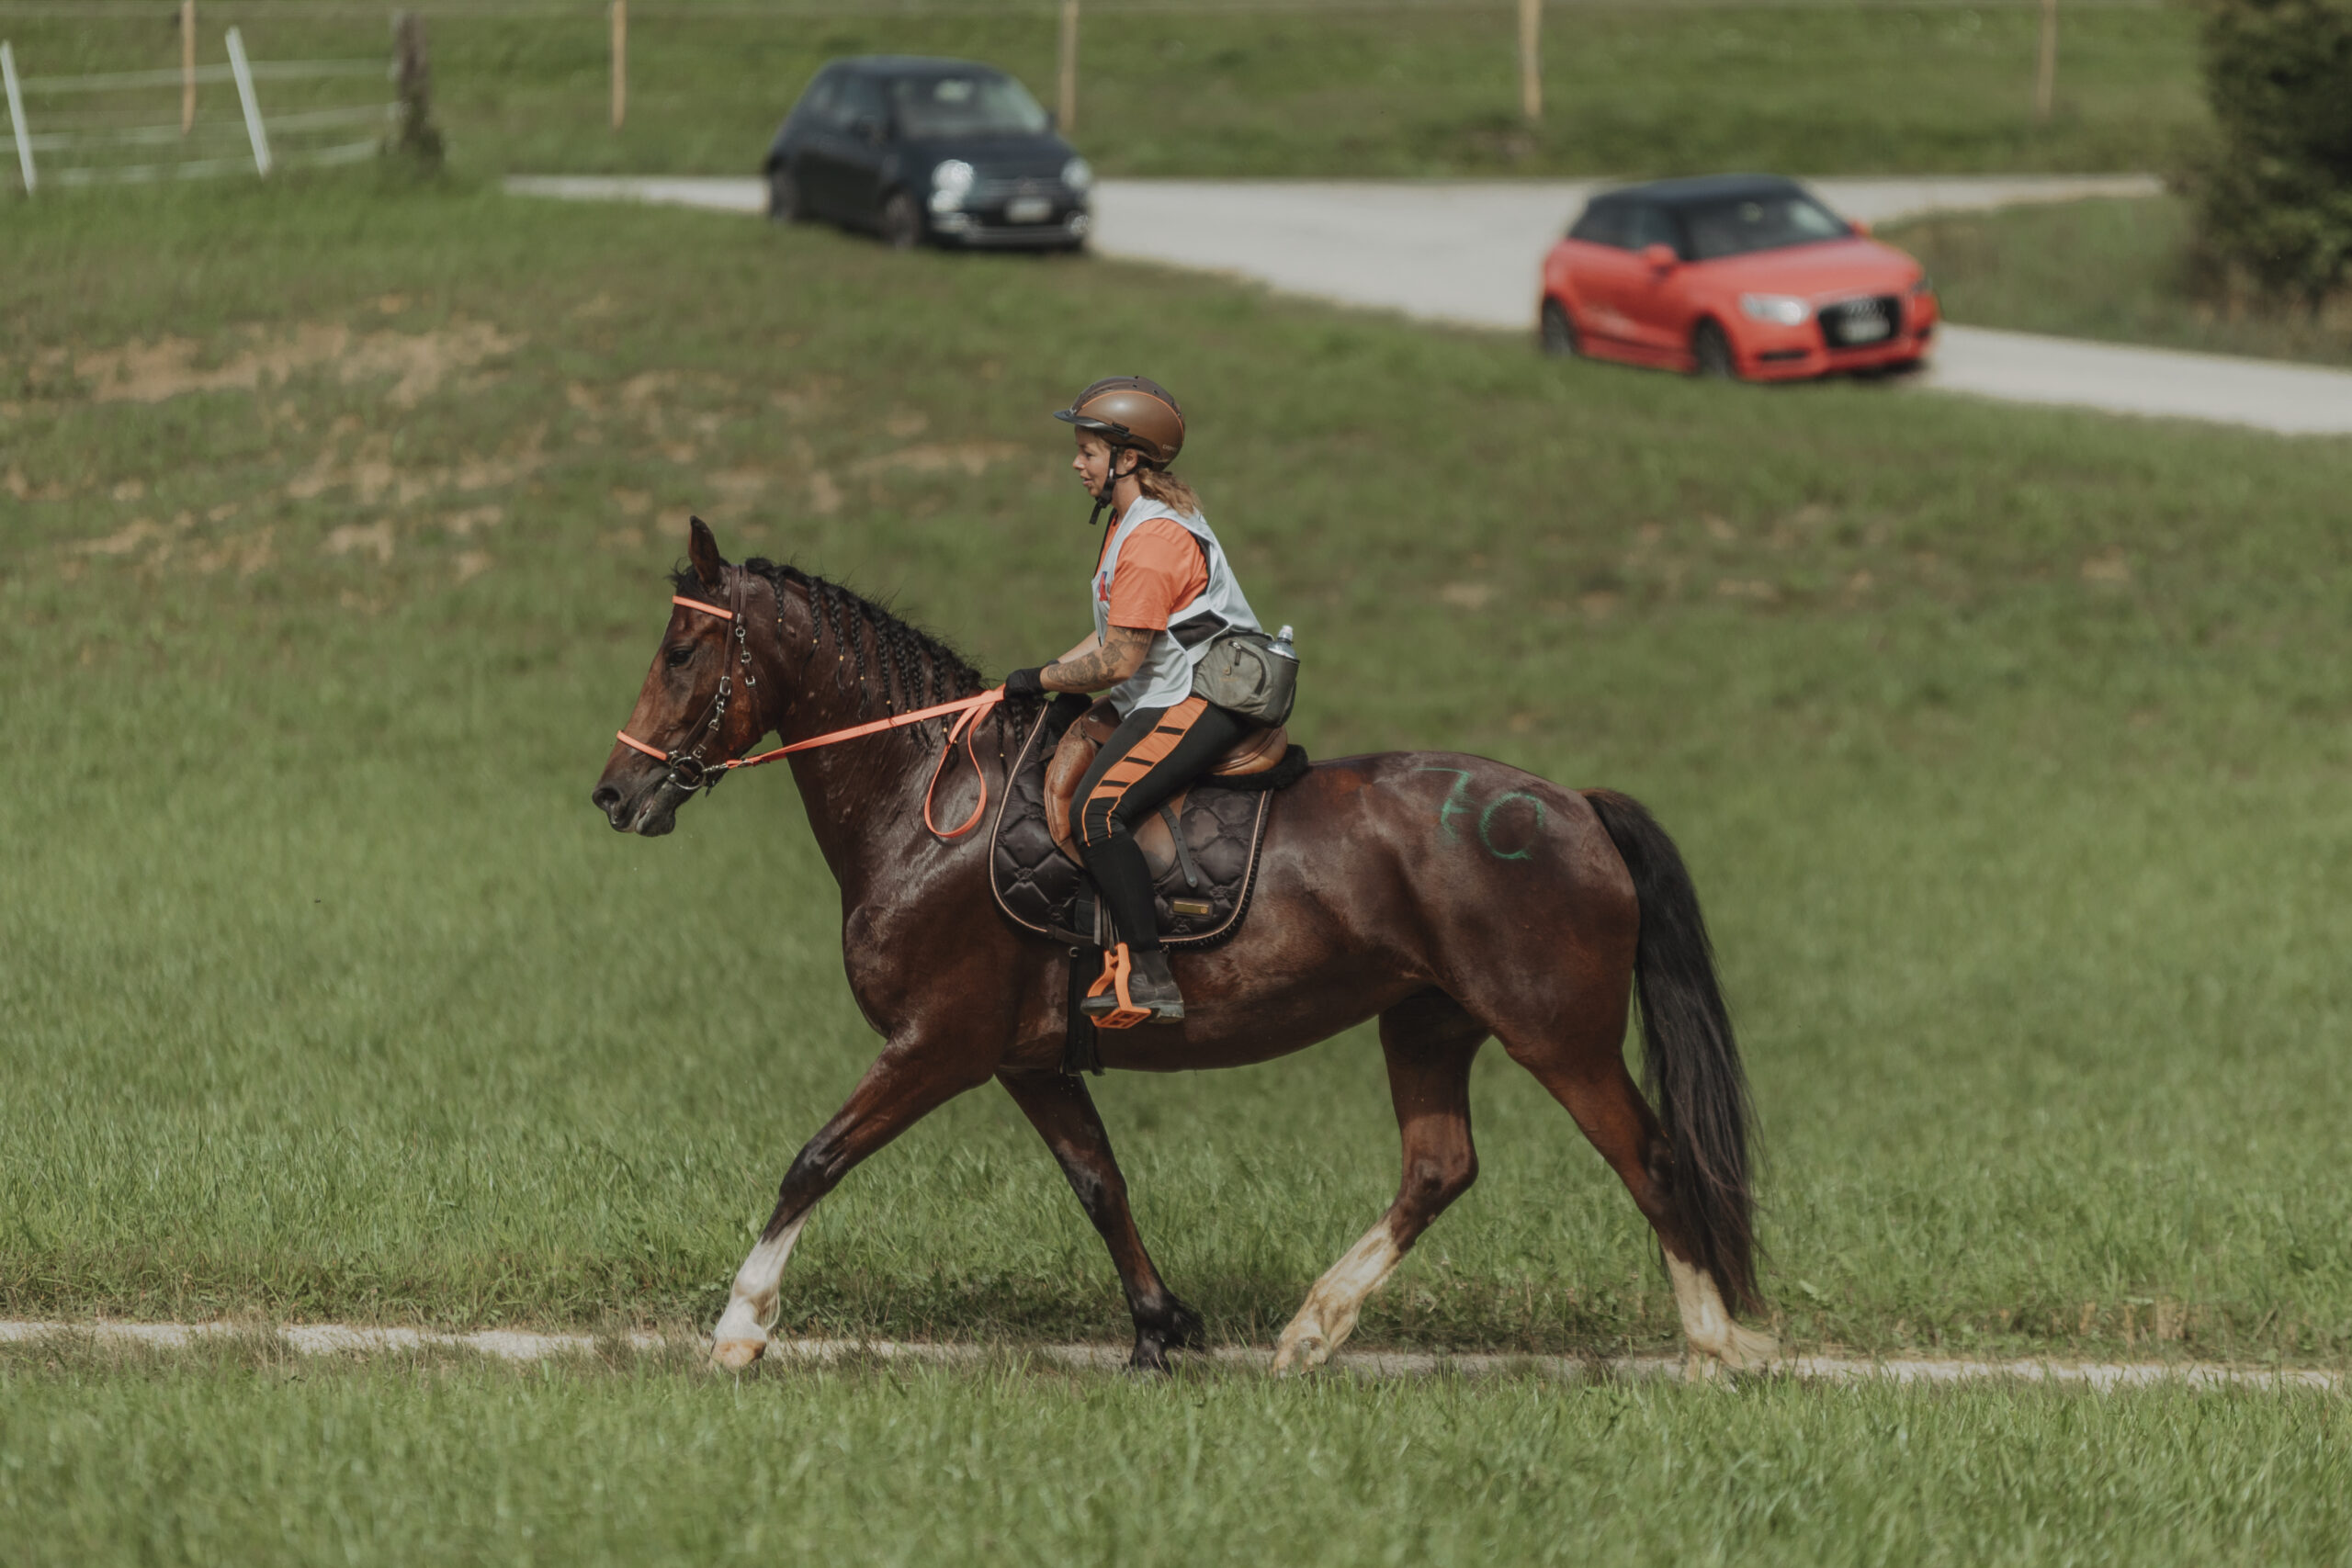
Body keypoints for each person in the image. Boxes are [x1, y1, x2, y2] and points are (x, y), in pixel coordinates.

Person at [1001, 377, 1266, 1024]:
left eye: (1088, 451)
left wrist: (1040, 678)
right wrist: (1032, 678)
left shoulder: (1150, 540)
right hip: (1163, 687)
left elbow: (1120, 660)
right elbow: (1110, 635)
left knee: (1100, 808)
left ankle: (1151, 975)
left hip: (1205, 695)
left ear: (1127, 458)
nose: (1077, 463)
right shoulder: (1130, 521)